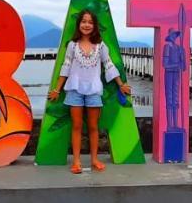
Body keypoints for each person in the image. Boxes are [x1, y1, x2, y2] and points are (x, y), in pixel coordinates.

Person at [47, 10, 132, 174]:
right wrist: (57, 89)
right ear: (79, 24)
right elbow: (66, 67)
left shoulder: (101, 46)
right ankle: (76, 161)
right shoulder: (72, 46)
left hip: (94, 91)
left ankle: (94, 160)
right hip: (74, 90)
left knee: (93, 127)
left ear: (94, 26)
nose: (87, 25)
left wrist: (121, 84)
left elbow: (109, 65)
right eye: (84, 21)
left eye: (90, 22)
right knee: (77, 126)